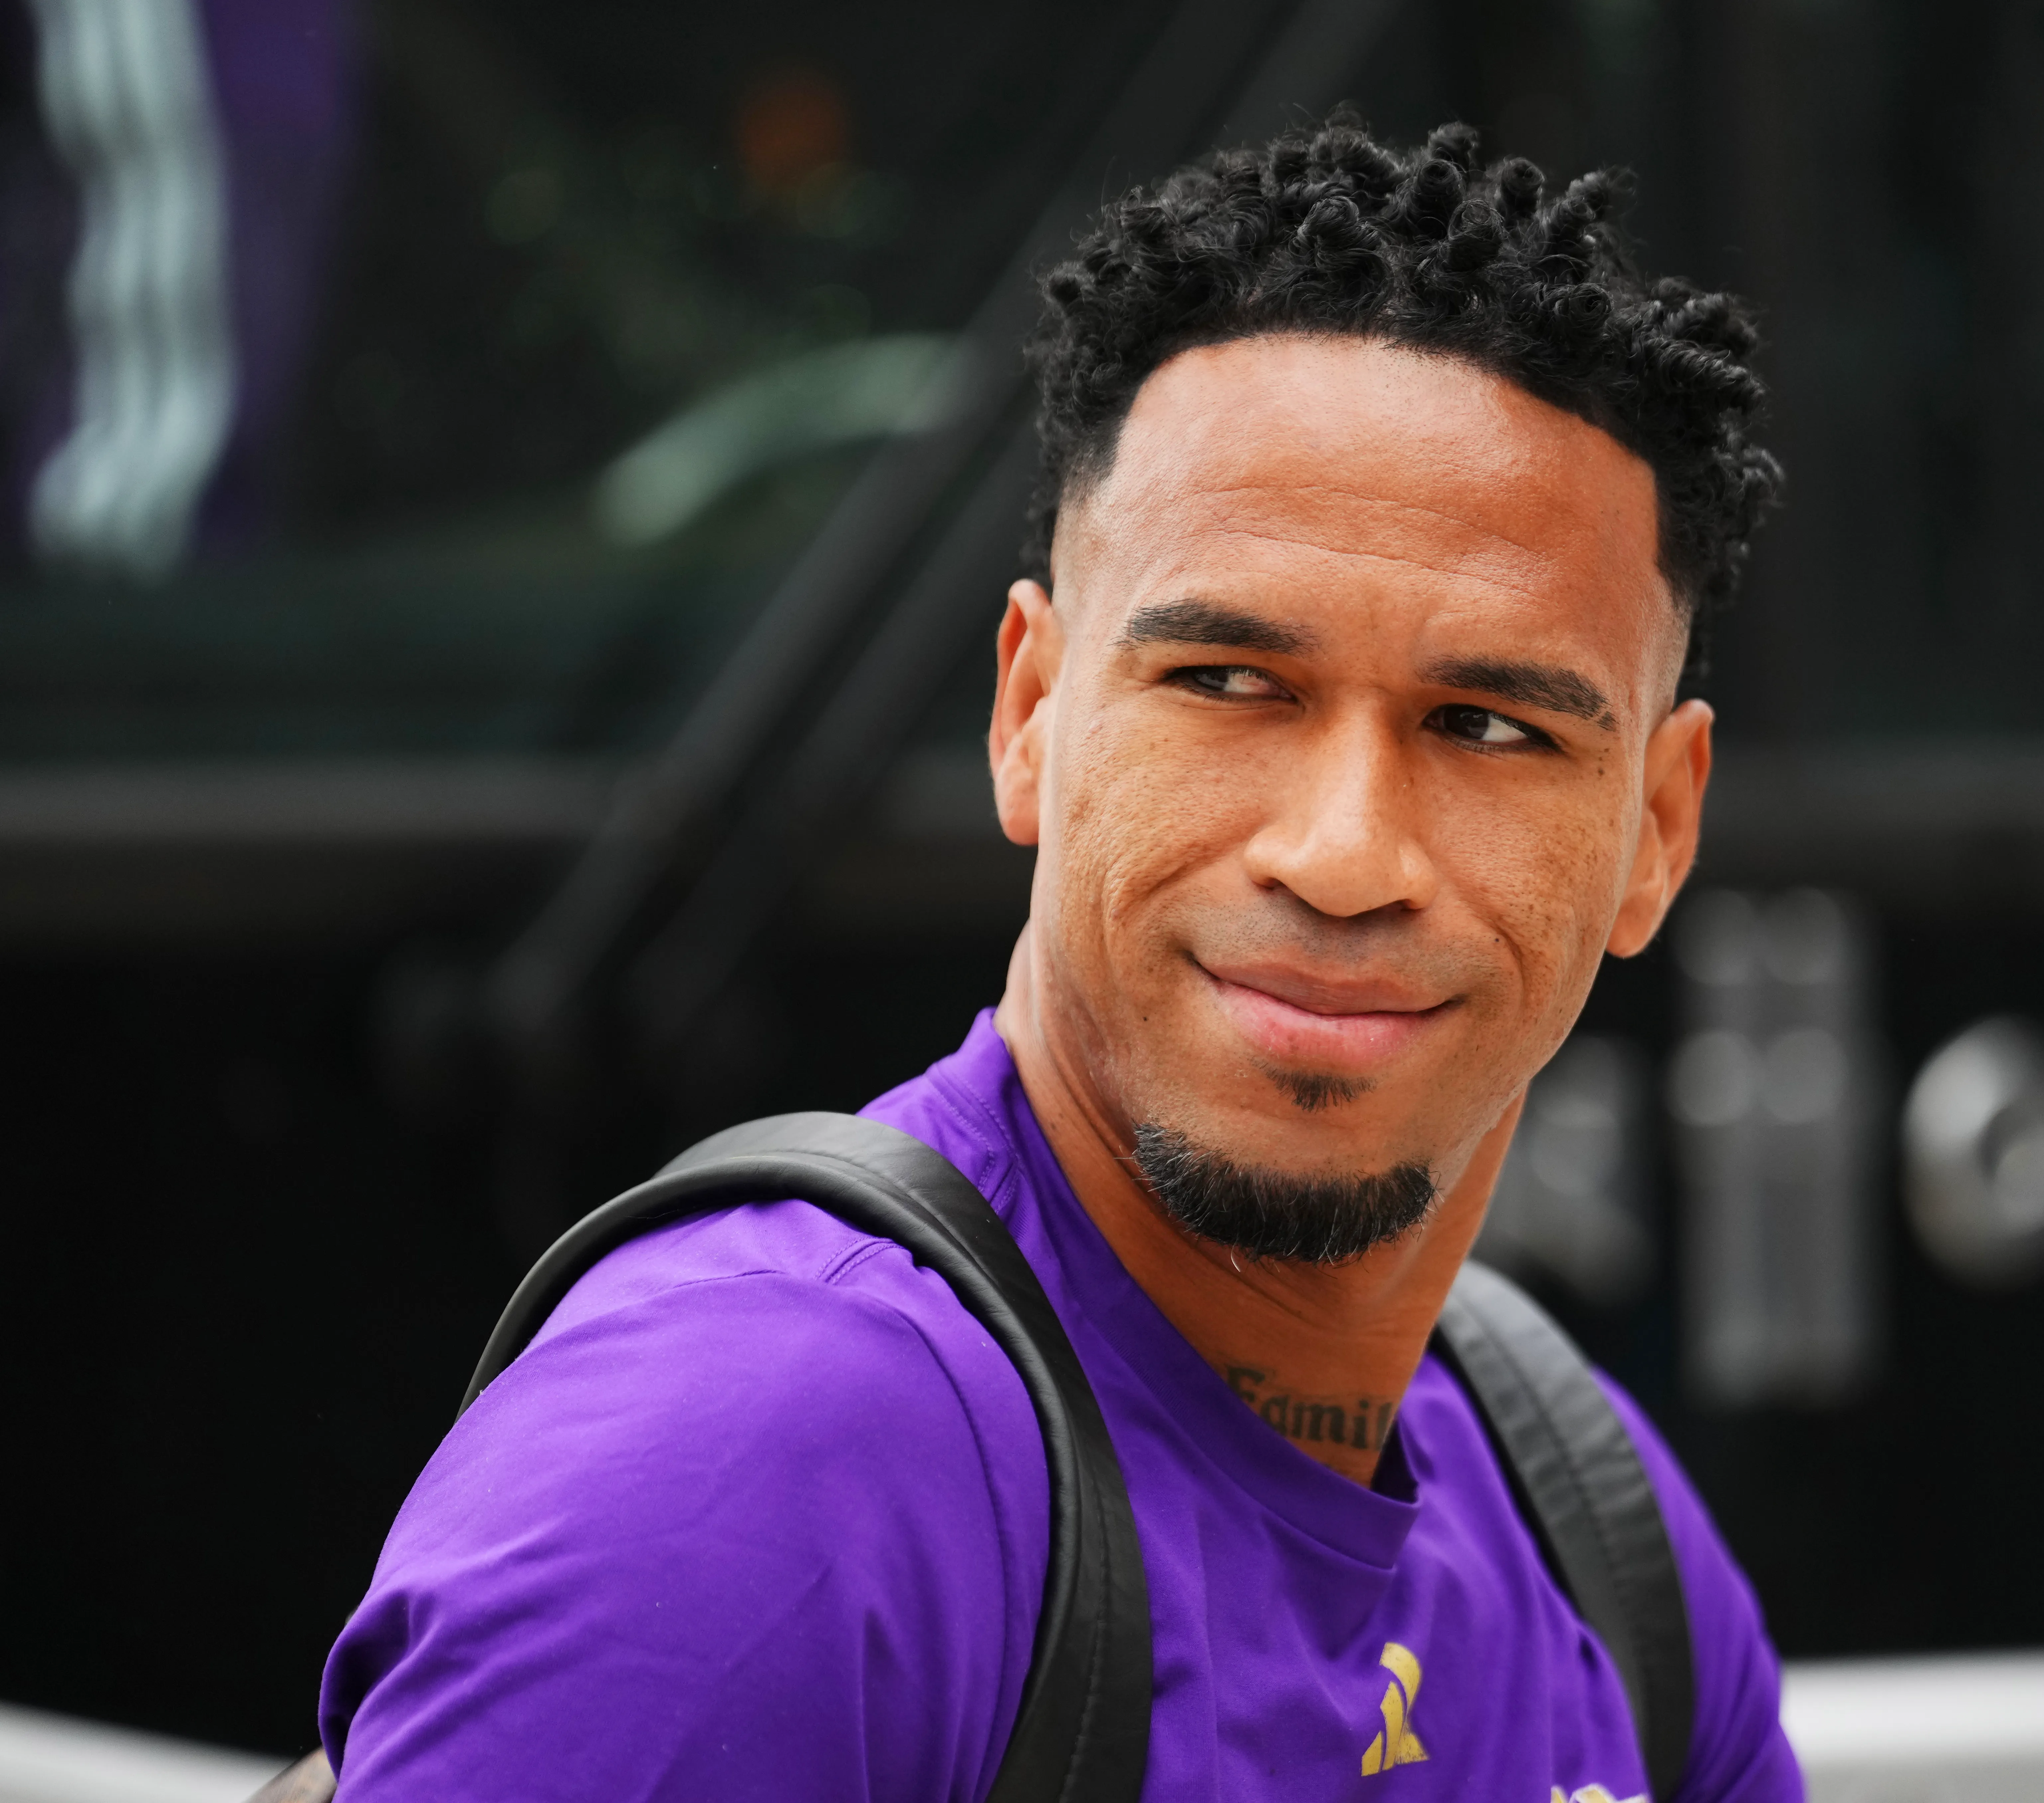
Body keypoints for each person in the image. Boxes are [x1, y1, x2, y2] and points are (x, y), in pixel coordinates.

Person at [320, 112, 1794, 1801]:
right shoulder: (759, 1463)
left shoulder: (1597, 1533)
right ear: (1030, 714)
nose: (1342, 853)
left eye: (1490, 725)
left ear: (1659, 832)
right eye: (1231, 683)